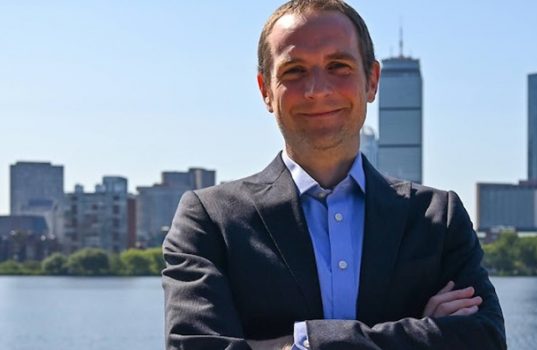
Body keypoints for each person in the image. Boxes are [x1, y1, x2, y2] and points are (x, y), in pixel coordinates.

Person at [162, 1, 506, 349]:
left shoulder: (438, 218)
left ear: (372, 81)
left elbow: (486, 340)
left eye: (338, 66)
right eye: (294, 71)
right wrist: (422, 332)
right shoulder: (210, 221)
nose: (318, 90)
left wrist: (300, 342)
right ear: (265, 90)